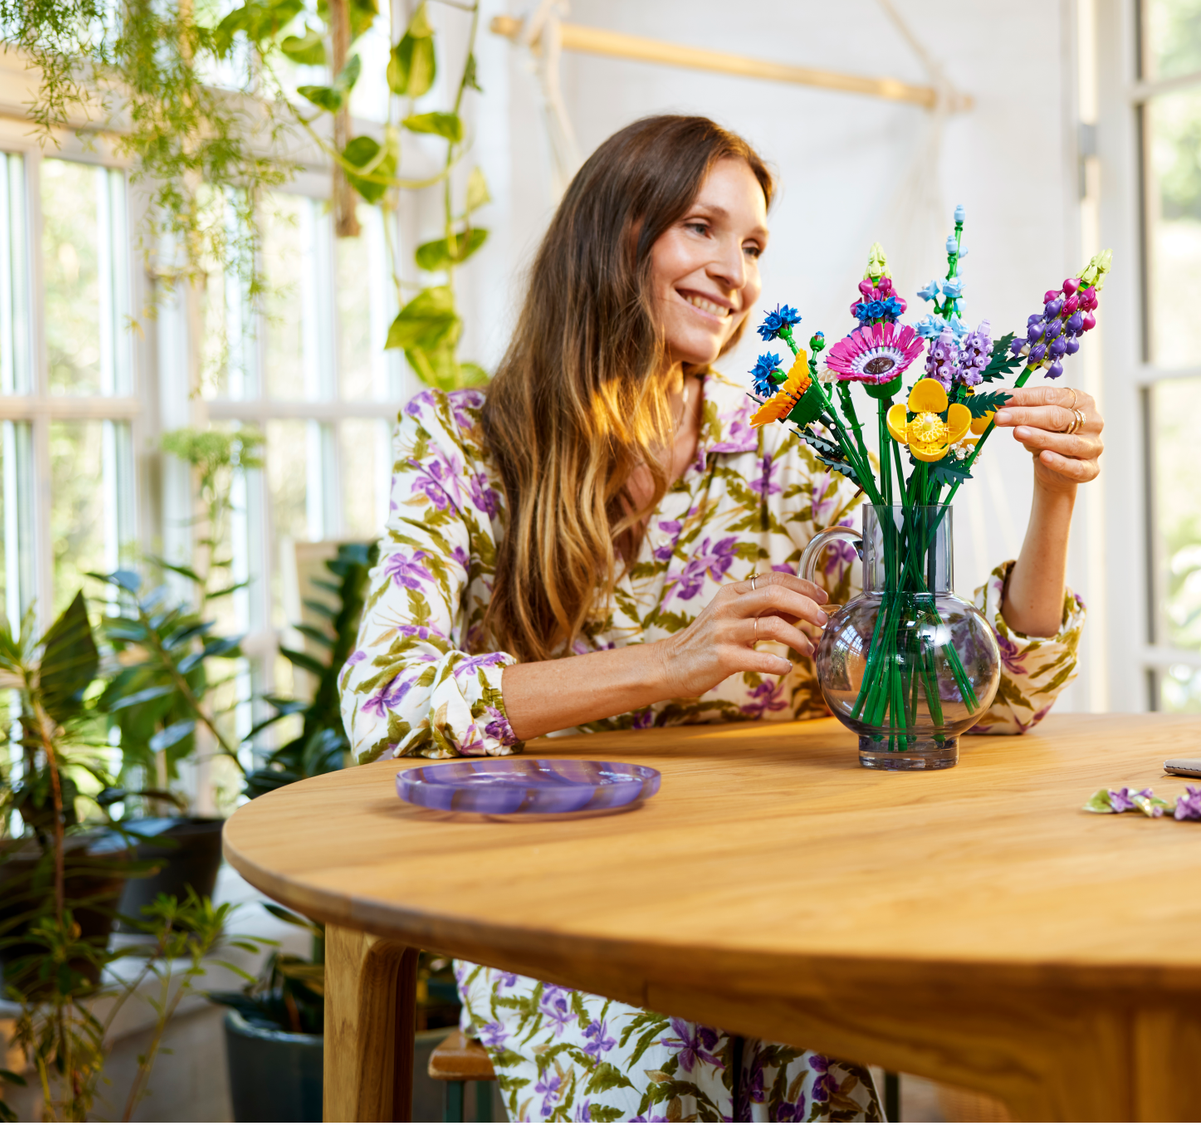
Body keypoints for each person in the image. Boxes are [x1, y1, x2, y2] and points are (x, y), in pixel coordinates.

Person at [340, 115, 1105, 1122]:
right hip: (547, 899)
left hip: (760, 891)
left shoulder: (785, 445)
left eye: (750, 246)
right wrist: (669, 664)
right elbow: (386, 704)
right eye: (700, 228)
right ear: (612, 235)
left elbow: (961, 702)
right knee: (655, 1057)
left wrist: (1052, 501)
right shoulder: (462, 442)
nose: (734, 270)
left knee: (813, 1063)